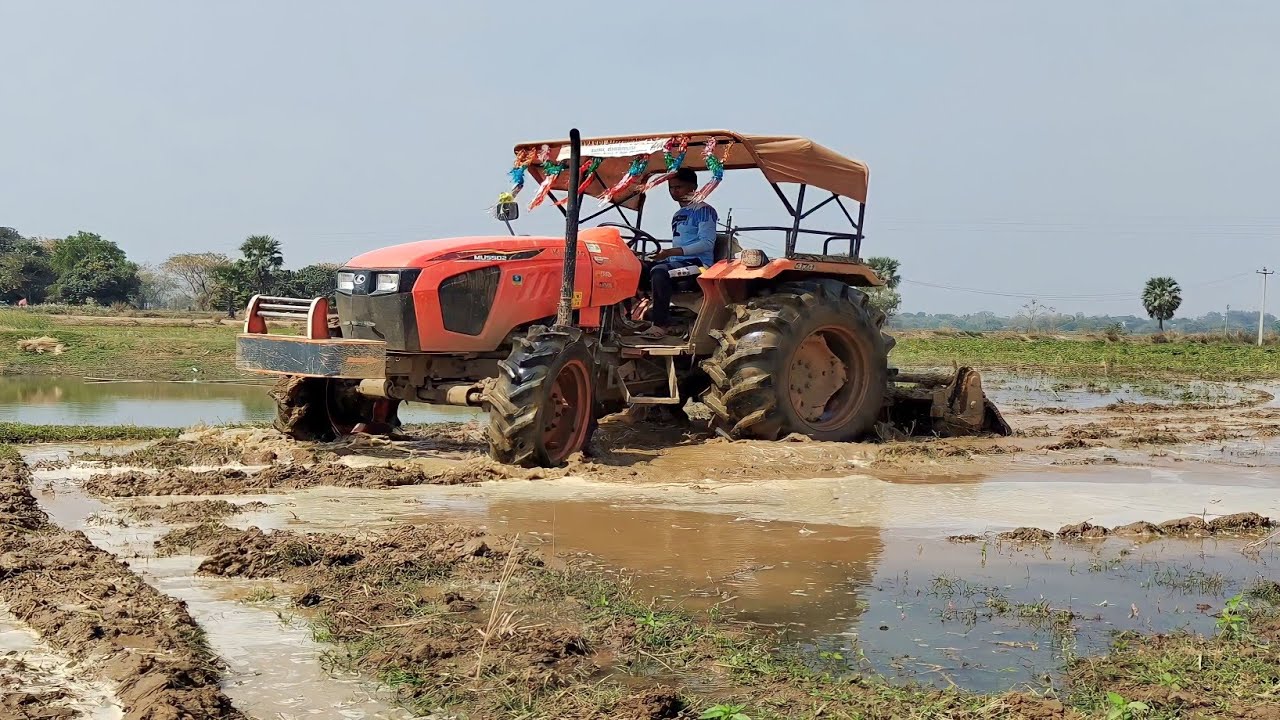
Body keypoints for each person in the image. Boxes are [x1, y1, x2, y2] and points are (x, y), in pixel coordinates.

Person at [641, 167, 718, 338]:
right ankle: (624, 318)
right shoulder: (678, 214)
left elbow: (706, 243)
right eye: (671, 188)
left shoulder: (704, 211)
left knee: (660, 272)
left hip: (699, 265)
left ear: (693, 187)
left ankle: (660, 325)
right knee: (637, 267)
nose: (674, 191)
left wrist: (670, 252)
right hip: (675, 262)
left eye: (679, 187)